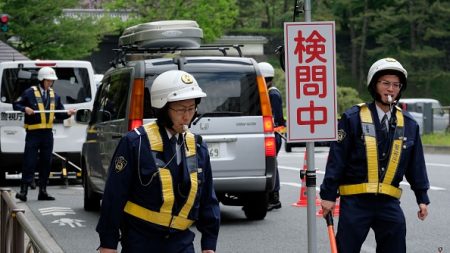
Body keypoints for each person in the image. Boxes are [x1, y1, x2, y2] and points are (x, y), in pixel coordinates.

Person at [96, 70, 220, 253]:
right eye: (180, 109)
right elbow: (114, 195)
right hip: (141, 242)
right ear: (162, 108)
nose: (187, 116)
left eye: (191, 108)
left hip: (181, 243)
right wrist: (108, 243)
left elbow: (208, 199)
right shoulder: (135, 143)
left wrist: (209, 244)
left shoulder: (198, 147)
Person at [320, 57, 430, 252]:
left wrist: (422, 197)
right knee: (346, 248)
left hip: (389, 203)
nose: (391, 89)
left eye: (396, 85)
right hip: (355, 202)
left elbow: (416, 164)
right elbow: (337, 159)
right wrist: (328, 195)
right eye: (385, 83)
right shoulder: (352, 118)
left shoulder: (409, 124)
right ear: (374, 85)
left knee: (395, 246)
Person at [13, 66, 76, 202]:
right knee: (29, 161)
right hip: (33, 133)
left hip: (47, 134)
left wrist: (68, 113)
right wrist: (25, 108)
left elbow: (61, 114)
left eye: (51, 81)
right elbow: (15, 105)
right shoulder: (29, 93)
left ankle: (43, 191)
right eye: (48, 81)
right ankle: (23, 191)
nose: (50, 83)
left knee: (46, 162)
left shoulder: (55, 96)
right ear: (41, 80)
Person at [258, 62, 286, 211]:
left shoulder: (272, 94)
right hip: (272, 133)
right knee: (270, 164)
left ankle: (274, 197)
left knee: (272, 165)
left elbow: (276, 117)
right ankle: (271, 196)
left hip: (274, 134)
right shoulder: (268, 92)